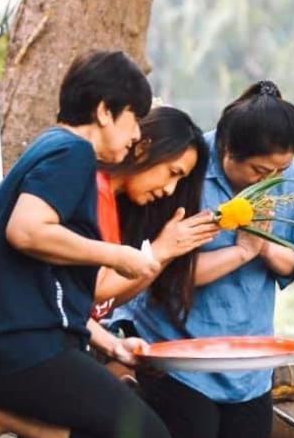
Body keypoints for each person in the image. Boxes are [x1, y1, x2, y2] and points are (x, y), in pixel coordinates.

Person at [0, 50, 174, 438]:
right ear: (105, 111)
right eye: (134, 118)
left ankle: (2, 412)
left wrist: (107, 342)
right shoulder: (73, 154)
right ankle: (0, 415)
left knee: (130, 424)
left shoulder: (52, 146)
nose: (137, 134)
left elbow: (40, 286)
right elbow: (26, 231)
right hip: (14, 351)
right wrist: (118, 255)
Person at [112, 81, 294, 438]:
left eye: (280, 170)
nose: (269, 179)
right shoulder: (188, 167)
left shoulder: (291, 179)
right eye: (259, 170)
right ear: (227, 149)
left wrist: (264, 246)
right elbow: (171, 274)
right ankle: (127, 382)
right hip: (177, 340)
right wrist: (242, 251)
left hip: (243, 350)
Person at [87, 106, 219, 368]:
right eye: (173, 173)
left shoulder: (116, 205)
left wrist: (166, 253)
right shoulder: (96, 190)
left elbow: (108, 300)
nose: (170, 190)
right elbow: (96, 292)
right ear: (143, 147)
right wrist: (159, 250)